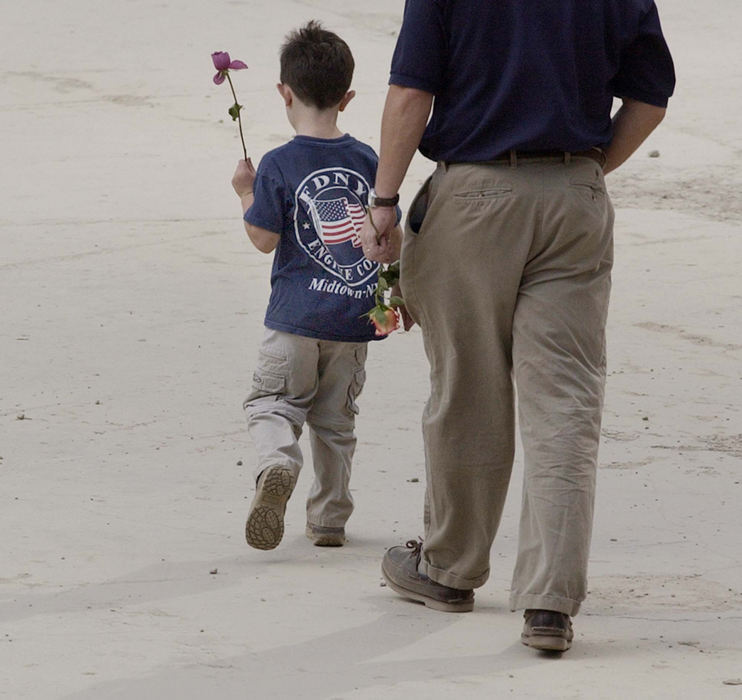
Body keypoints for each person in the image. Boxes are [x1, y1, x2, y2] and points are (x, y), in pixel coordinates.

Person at [359, 0, 675, 651]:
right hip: (574, 201)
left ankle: (448, 570)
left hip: (474, 196)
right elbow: (650, 97)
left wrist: (384, 201)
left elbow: (410, 95)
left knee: (468, 387)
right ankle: (550, 604)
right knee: (565, 401)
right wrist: (585, 168)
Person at [231, 21, 401, 551]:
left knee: (273, 403)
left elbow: (263, 238)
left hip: (294, 320)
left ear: (284, 92)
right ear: (347, 98)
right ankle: (328, 518)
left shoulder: (279, 164)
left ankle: (278, 463)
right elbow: (385, 232)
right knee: (336, 422)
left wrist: (244, 192)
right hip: (351, 320)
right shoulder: (370, 161)